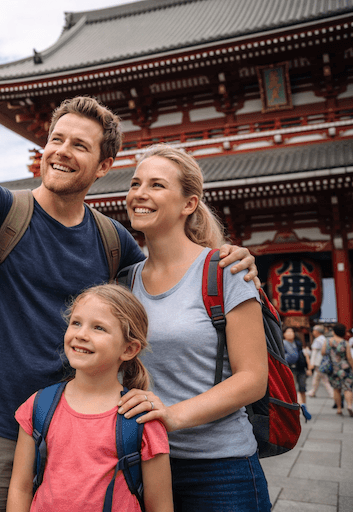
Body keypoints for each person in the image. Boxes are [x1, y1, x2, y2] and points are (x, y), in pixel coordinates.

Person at [0, 24, 257, 510]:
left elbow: (172, 263)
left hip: (78, 429)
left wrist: (227, 254)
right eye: (56, 139)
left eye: (80, 146)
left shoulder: (113, 244)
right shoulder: (2, 213)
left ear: (104, 166)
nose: (61, 152)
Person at [117, 144, 270, 511]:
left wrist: (172, 415)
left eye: (156, 185)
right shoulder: (124, 282)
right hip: (143, 461)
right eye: (136, 183)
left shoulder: (226, 271)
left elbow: (252, 378)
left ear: (189, 204)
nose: (140, 193)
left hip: (219, 468)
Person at [7, 284, 172, 511]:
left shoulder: (141, 418)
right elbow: (20, 488)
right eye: (76, 323)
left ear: (129, 349)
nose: (81, 334)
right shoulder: (38, 406)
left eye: (99, 328)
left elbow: (160, 506)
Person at [321, 323, 353, 417]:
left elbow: (323, 352)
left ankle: (339, 409)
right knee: (348, 388)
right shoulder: (345, 343)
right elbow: (349, 358)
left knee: (336, 389)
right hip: (345, 368)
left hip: (333, 368)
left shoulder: (327, 341)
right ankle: (350, 405)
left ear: (334, 331)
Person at [283, 327, 310, 404]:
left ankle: (304, 405)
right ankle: (295, 404)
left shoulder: (298, 343)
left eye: (291, 331)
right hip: (290, 367)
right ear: (284, 334)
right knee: (292, 388)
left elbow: (304, 354)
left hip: (300, 367)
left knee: (302, 387)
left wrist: (308, 367)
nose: (290, 333)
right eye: (288, 331)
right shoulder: (282, 343)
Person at [308, 324, 335, 398]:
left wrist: (311, 363)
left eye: (314, 330)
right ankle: (313, 391)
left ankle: (332, 393)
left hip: (319, 362)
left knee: (323, 379)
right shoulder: (324, 339)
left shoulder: (318, 340)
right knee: (318, 378)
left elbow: (314, 353)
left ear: (317, 331)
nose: (313, 332)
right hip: (323, 362)